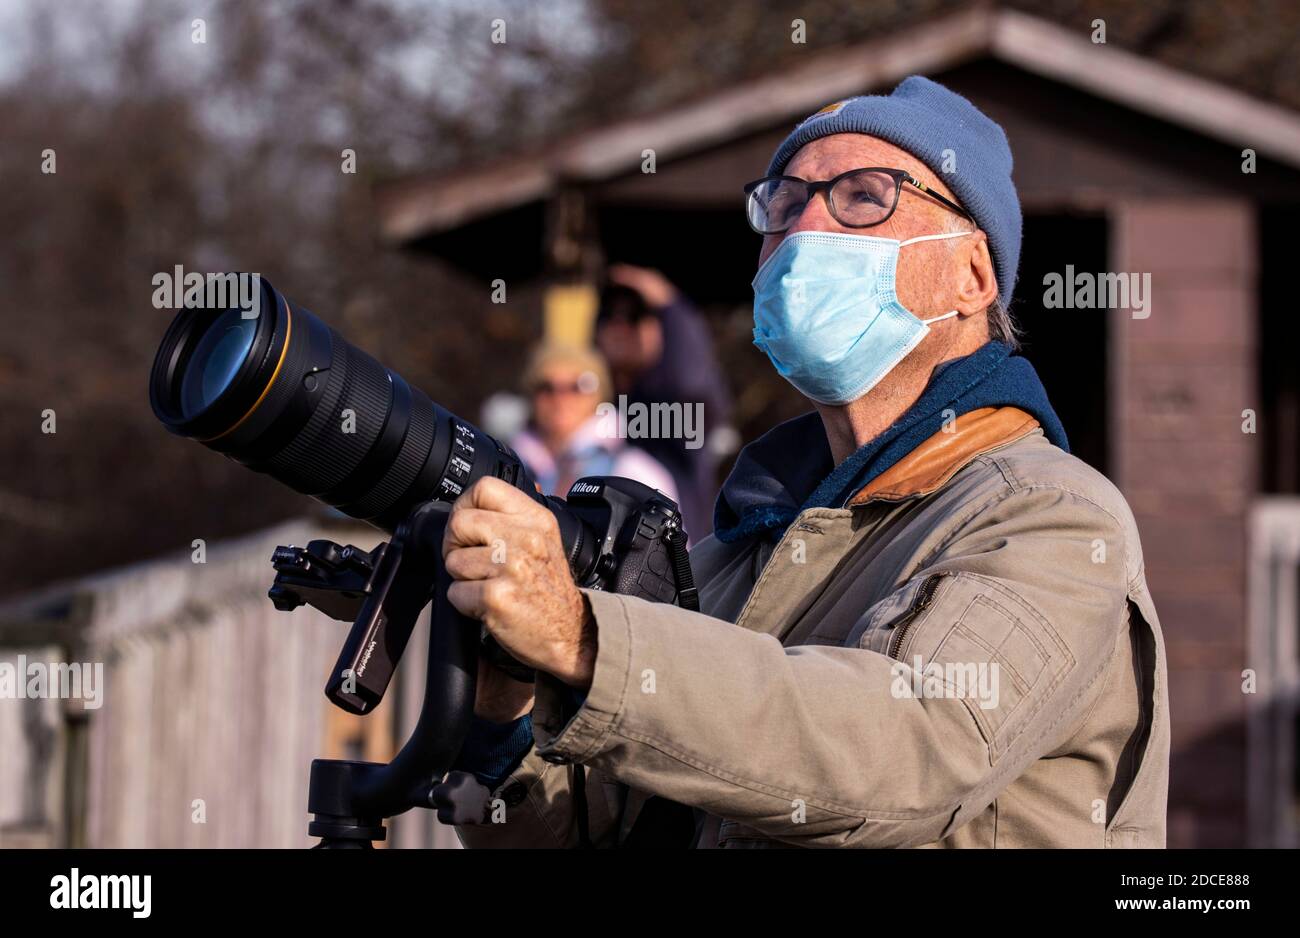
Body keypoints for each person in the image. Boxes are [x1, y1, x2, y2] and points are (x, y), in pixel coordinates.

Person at [442, 77, 1169, 848]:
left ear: (971, 277)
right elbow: (611, 826)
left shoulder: (1048, 517)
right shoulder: (737, 548)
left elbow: (907, 751)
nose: (804, 228)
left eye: (863, 195)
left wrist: (584, 640)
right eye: (783, 204)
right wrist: (507, 704)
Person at [594, 265, 733, 539]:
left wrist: (670, 305)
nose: (620, 327)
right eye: (609, 316)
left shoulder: (670, 408)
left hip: (670, 567)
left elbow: (689, 382)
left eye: (635, 316)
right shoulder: (587, 402)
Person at [508, 342, 678, 503]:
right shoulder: (510, 468)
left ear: (600, 395)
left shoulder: (634, 474)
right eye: (546, 387)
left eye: (578, 386)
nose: (560, 398)